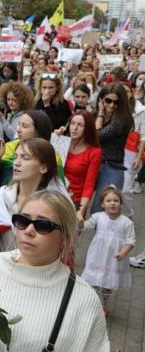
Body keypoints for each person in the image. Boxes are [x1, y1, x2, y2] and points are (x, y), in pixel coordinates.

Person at [0, 190, 110, 351]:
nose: (28, 231)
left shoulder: (84, 300)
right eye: (23, 221)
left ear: (65, 238)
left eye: (42, 225)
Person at [0, 138, 71, 259]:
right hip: (6, 271)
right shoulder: (1, 198)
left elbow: (59, 251)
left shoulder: (54, 205)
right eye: (15, 157)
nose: (16, 163)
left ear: (43, 168)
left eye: (25, 158)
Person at [79, 186, 135, 316]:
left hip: (113, 259)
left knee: (107, 285)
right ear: (102, 204)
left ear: (121, 203)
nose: (112, 203)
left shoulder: (126, 222)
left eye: (116, 200)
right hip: (98, 255)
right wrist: (81, 221)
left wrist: (123, 252)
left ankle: (103, 303)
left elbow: (131, 240)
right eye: (108, 200)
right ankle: (90, 302)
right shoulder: (98, 217)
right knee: (93, 280)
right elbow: (86, 226)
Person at [92, 83, 133, 212]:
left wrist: (100, 114)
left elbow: (96, 136)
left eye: (116, 102)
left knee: (99, 211)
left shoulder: (122, 120)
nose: (111, 105)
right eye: (108, 101)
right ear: (101, 99)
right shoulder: (94, 114)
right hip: (93, 164)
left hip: (111, 168)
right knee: (78, 205)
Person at [61, 111, 101, 219]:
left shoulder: (94, 151)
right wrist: (56, 139)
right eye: (72, 123)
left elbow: (89, 184)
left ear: (87, 128)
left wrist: (81, 210)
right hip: (56, 195)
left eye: (80, 125)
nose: (74, 128)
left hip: (76, 200)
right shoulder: (62, 142)